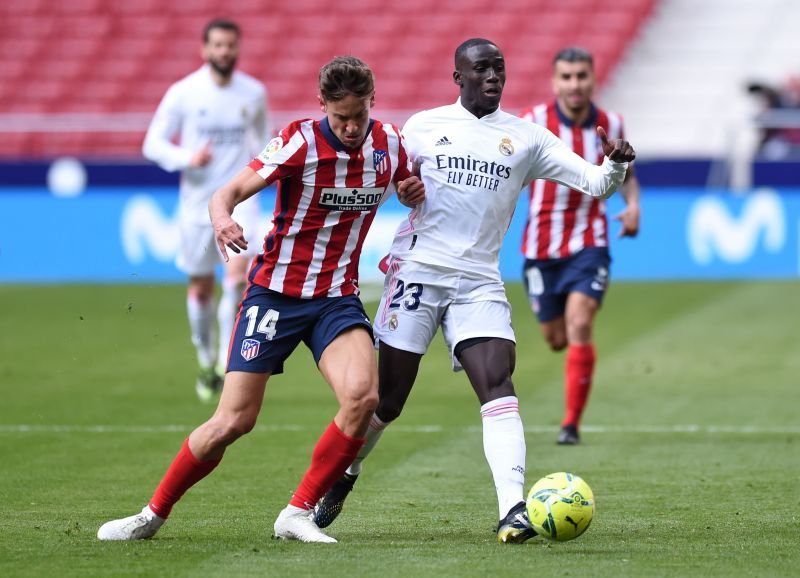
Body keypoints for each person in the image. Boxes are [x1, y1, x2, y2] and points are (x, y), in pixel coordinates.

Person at [312, 38, 635, 543]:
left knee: (498, 386)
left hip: (478, 281)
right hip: (418, 272)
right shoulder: (422, 127)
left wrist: (615, 164)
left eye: (498, 68)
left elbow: (595, 184)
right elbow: (392, 174)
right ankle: (346, 475)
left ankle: (513, 510)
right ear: (457, 77)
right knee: (388, 401)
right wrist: (404, 189)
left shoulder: (528, 138)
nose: (492, 77)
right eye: (480, 69)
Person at [97, 56, 425, 544]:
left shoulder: (390, 142)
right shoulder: (299, 140)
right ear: (322, 108)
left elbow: (404, 178)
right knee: (234, 421)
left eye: (360, 114)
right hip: (275, 297)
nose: (352, 127)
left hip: (336, 299)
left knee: (363, 397)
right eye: (341, 118)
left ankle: (297, 512)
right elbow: (224, 192)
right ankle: (151, 513)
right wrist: (222, 219)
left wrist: (407, 187)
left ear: (371, 103)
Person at [142, 19, 270, 402]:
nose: (224, 52)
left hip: (239, 202)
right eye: (217, 45)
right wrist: (188, 157)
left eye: (230, 45)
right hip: (196, 207)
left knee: (236, 279)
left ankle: (222, 361)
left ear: (237, 48)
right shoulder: (184, 93)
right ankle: (204, 357)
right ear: (205, 49)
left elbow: (264, 147)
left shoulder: (253, 93)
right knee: (200, 288)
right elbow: (152, 143)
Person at [519, 47, 641, 446]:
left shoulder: (612, 123)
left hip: (590, 241)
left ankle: (570, 424)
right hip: (540, 246)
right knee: (556, 339)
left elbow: (626, 171)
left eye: (581, 76)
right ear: (555, 82)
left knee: (581, 323)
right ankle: (574, 381)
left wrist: (633, 205)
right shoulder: (533, 122)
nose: (575, 84)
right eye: (567, 77)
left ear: (593, 78)